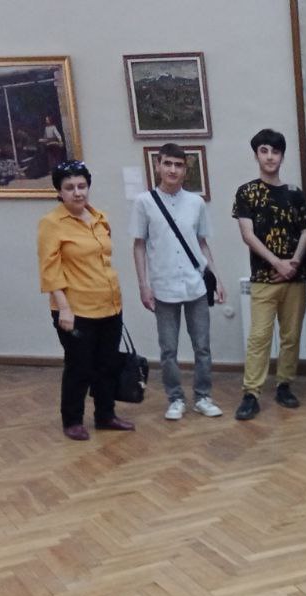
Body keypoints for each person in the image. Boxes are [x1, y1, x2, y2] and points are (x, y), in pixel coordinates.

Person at [37, 160, 134, 440]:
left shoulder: (99, 217)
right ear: (59, 192)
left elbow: (103, 259)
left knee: (107, 364)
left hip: (109, 304)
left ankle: (105, 415)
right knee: (80, 367)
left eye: (82, 186)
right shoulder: (51, 224)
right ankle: (72, 420)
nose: (77, 192)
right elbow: (49, 270)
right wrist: (64, 309)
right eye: (69, 188)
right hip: (75, 309)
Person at [130, 142, 226, 422]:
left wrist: (217, 279)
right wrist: (143, 285)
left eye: (179, 165)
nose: (173, 170)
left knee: (202, 347)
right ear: (158, 165)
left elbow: (202, 243)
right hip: (163, 286)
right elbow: (138, 245)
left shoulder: (196, 203)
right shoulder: (144, 202)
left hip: (195, 285)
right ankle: (175, 398)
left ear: (185, 170)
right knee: (169, 349)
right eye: (168, 164)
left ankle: (203, 397)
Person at [234, 128, 306, 420]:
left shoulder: (294, 193)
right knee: (259, 337)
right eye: (264, 151)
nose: (270, 157)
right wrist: (277, 263)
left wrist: (293, 263)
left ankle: (284, 385)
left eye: (275, 152)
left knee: (291, 336)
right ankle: (251, 393)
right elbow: (248, 234)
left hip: (295, 278)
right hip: (264, 279)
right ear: (256, 155)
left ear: (282, 156)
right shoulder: (247, 192)